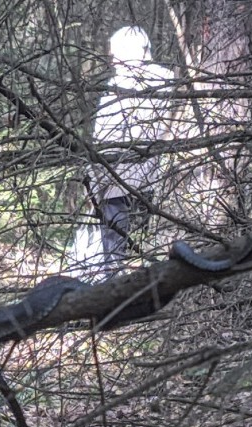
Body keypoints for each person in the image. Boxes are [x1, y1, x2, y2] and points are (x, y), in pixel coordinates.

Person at [84, 25, 173, 278]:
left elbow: (106, 134)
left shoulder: (130, 83)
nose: (113, 60)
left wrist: (95, 170)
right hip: (142, 174)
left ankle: (111, 281)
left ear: (130, 51)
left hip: (120, 174)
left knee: (114, 240)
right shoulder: (165, 79)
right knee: (120, 236)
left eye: (116, 54)